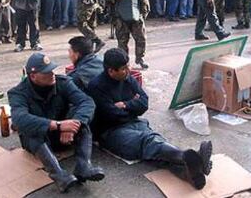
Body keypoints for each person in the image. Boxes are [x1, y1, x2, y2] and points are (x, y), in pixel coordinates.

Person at [87, 48, 213, 190]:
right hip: (110, 132)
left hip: (135, 122)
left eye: (128, 65)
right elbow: (112, 114)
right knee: (148, 142)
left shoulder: (127, 78)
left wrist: (125, 105)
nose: (128, 70)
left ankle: (189, 172)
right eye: (123, 68)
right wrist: (132, 106)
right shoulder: (96, 87)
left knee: (156, 147)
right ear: (111, 71)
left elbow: (144, 102)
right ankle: (190, 156)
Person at [8, 52, 105, 193]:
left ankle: (84, 166)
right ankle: (59, 176)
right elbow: (19, 119)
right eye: (46, 72)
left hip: (63, 135)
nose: (52, 74)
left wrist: (72, 126)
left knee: (82, 123)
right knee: (31, 130)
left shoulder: (63, 83)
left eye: (52, 70)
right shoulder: (18, 93)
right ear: (33, 76)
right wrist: (56, 125)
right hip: (40, 141)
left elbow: (86, 102)